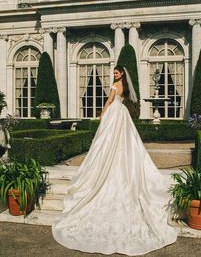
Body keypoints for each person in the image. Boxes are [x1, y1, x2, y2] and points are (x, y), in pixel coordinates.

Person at [52, 65, 177, 256]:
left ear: (121, 74)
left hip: (114, 113)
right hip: (123, 114)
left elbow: (109, 101)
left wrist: (102, 115)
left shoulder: (114, 85)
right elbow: (121, 100)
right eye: (115, 73)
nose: (115, 74)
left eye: (117, 73)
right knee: (124, 143)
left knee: (107, 142)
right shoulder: (125, 87)